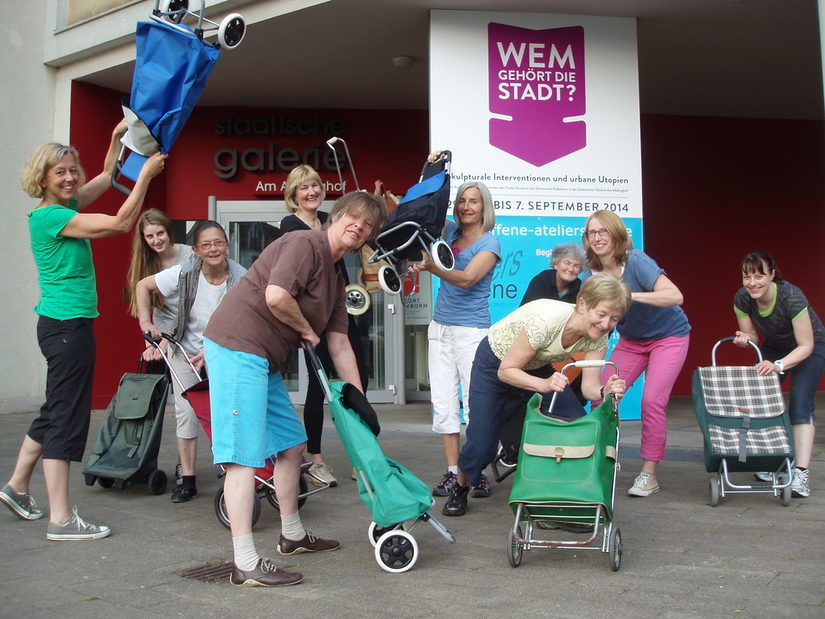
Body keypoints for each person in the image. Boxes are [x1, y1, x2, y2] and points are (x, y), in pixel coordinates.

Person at [202, 190, 386, 587]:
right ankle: (245, 563)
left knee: (291, 445)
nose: (359, 226)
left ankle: (292, 535)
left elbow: (339, 342)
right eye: (353, 216)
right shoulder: (306, 244)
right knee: (243, 457)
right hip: (237, 346)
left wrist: (359, 401)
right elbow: (276, 295)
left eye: (368, 224)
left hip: (265, 359)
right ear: (335, 216)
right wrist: (305, 329)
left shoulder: (337, 278)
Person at [0, 122, 166, 541]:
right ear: (42, 179)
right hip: (67, 330)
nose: (71, 177)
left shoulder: (64, 206)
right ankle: (61, 519)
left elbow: (108, 178)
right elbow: (120, 223)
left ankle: (18, 487)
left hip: (62, 327)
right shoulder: (53, 216)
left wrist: (113, 142)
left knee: (54, 409)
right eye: (61, 172)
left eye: (73, 169)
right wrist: (145, 175)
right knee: (66, 421)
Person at [441, 273, 632, 517]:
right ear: (583, 305)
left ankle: (558, 493)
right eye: (601, 314)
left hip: (536, 366)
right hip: (496, 363)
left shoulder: (598, 338)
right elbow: (507, 371)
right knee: (482, 445)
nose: (606, 324)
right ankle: (460, 486)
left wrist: (607, 391)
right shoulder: (546, 320)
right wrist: (543, 385)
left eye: (614, 319)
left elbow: (588, 388)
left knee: (573, 423)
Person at [581, 210, 691, 497]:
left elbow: (674, 296)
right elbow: (594, 323)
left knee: (652, 400)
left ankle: (648, 475)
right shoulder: (590, 274)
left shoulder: (636, 260)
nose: (598, 237)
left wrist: (627, 295)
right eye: (592, 233)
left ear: (617, 234)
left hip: (669, 336)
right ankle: (599, 464)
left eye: (603, 231)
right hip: (631, 341)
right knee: (602, 397)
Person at [137, 221, 246, 503]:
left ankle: (232, 467)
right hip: (184, 349)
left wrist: (215, 351)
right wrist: (146, 322)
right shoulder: (185, 272)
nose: (213, 249)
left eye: (218, 242)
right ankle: (187, 478)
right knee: (186, 412)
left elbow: (245, 321)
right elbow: (142, 286)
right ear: (196, 250)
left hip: (224, 349)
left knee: (228, 409)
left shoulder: (241, 277)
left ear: (227, 244)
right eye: (206, 244)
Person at [410, 171, 501, 500]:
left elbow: (466, 279)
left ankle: (475, 472)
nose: (466, 206)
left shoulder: (490, 243)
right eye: (462, 200)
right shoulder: (447, 231)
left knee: (477, 408)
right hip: (441, 330)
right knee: (445, 406)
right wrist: (431, 170)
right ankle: (453, 473)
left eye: (473, 201)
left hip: (472, 333)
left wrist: (432, 269)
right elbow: (422, 210)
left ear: (484, 207)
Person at [279, 164, 369, 488]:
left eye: (315, 185)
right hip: (313, 316)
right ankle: (316, 459)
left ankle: (361, 456)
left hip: (340, 309)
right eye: (304, 188)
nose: (312, 192)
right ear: (293, 194)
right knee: (318, 388)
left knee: (359, 379)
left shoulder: (330, 218)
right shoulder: (291, 224)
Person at [732, 250, 824, 498]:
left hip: (809, 346)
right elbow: (751, 335)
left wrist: (779, 365)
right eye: (747, 277)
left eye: (759, 276)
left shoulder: (791, 297)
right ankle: (773, 463)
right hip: (775, 345)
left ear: (772, 274)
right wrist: (744, 340)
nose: (753, 283)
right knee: (759, 399)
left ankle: (801, 474)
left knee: (800, 405)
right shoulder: (742, 298)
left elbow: (806, 346)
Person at [125, 208, 194, 373]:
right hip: (161, 334)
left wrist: (169, 341)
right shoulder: (145, 262)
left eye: (160, 233)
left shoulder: (190, 255)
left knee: (192, 390)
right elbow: (148, 316)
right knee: (154, 385)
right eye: (150, 236)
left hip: (190, 332)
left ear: (168, 231)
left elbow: (193, 304)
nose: (156, 240)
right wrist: (150, 345)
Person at [520, 243, 585, 305]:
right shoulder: (541, 281)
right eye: (567, 263)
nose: (571, 269)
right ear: (556, 264)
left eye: (576, 266)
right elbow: (530, 310)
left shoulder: (580, 287)